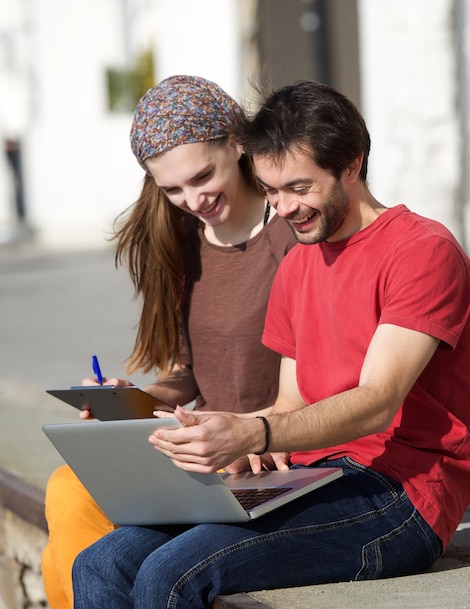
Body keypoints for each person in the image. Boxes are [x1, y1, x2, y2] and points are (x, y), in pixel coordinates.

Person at [72, 80, 470, 609]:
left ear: (351, 164)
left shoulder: (422, 251)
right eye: (271, 190)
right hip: (307, 476)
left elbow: (379, 402)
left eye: (298, 187)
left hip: (402, 495)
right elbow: (291, 403)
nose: (284, 207)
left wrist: (252, 432)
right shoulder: (299, 265)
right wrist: (210, 433)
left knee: (172, 576)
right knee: (100, 562)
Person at [40, 75, 296, 609]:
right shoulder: (182, 244)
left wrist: (258, 434)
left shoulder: (291, 233)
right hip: (203, 452)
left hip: (262, 455)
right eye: (173, 189)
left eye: (202, 176)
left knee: (106, 544)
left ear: (236, 143)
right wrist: (126, 399)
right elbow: (191, 375)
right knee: (67, 487)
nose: (192, 199)